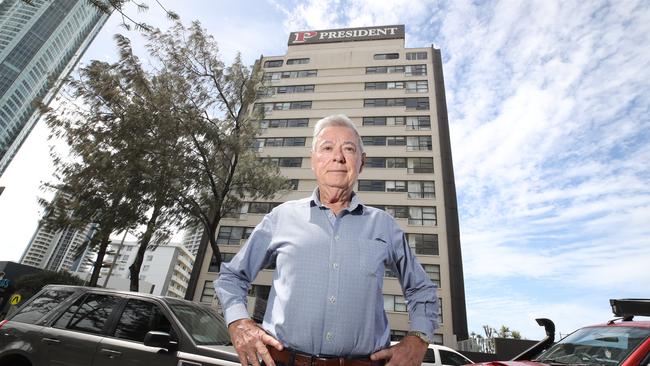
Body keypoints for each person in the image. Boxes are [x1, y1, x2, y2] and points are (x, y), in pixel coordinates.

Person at [215, 114, 439, 366]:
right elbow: (232, 277)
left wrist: (418, 338)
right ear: (313, 159)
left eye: (349, 149)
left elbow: (421, 289)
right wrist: (238, 322)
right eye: (327, 147)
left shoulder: (384, 225)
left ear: (362, 162)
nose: (338, 157)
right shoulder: (282, 217)